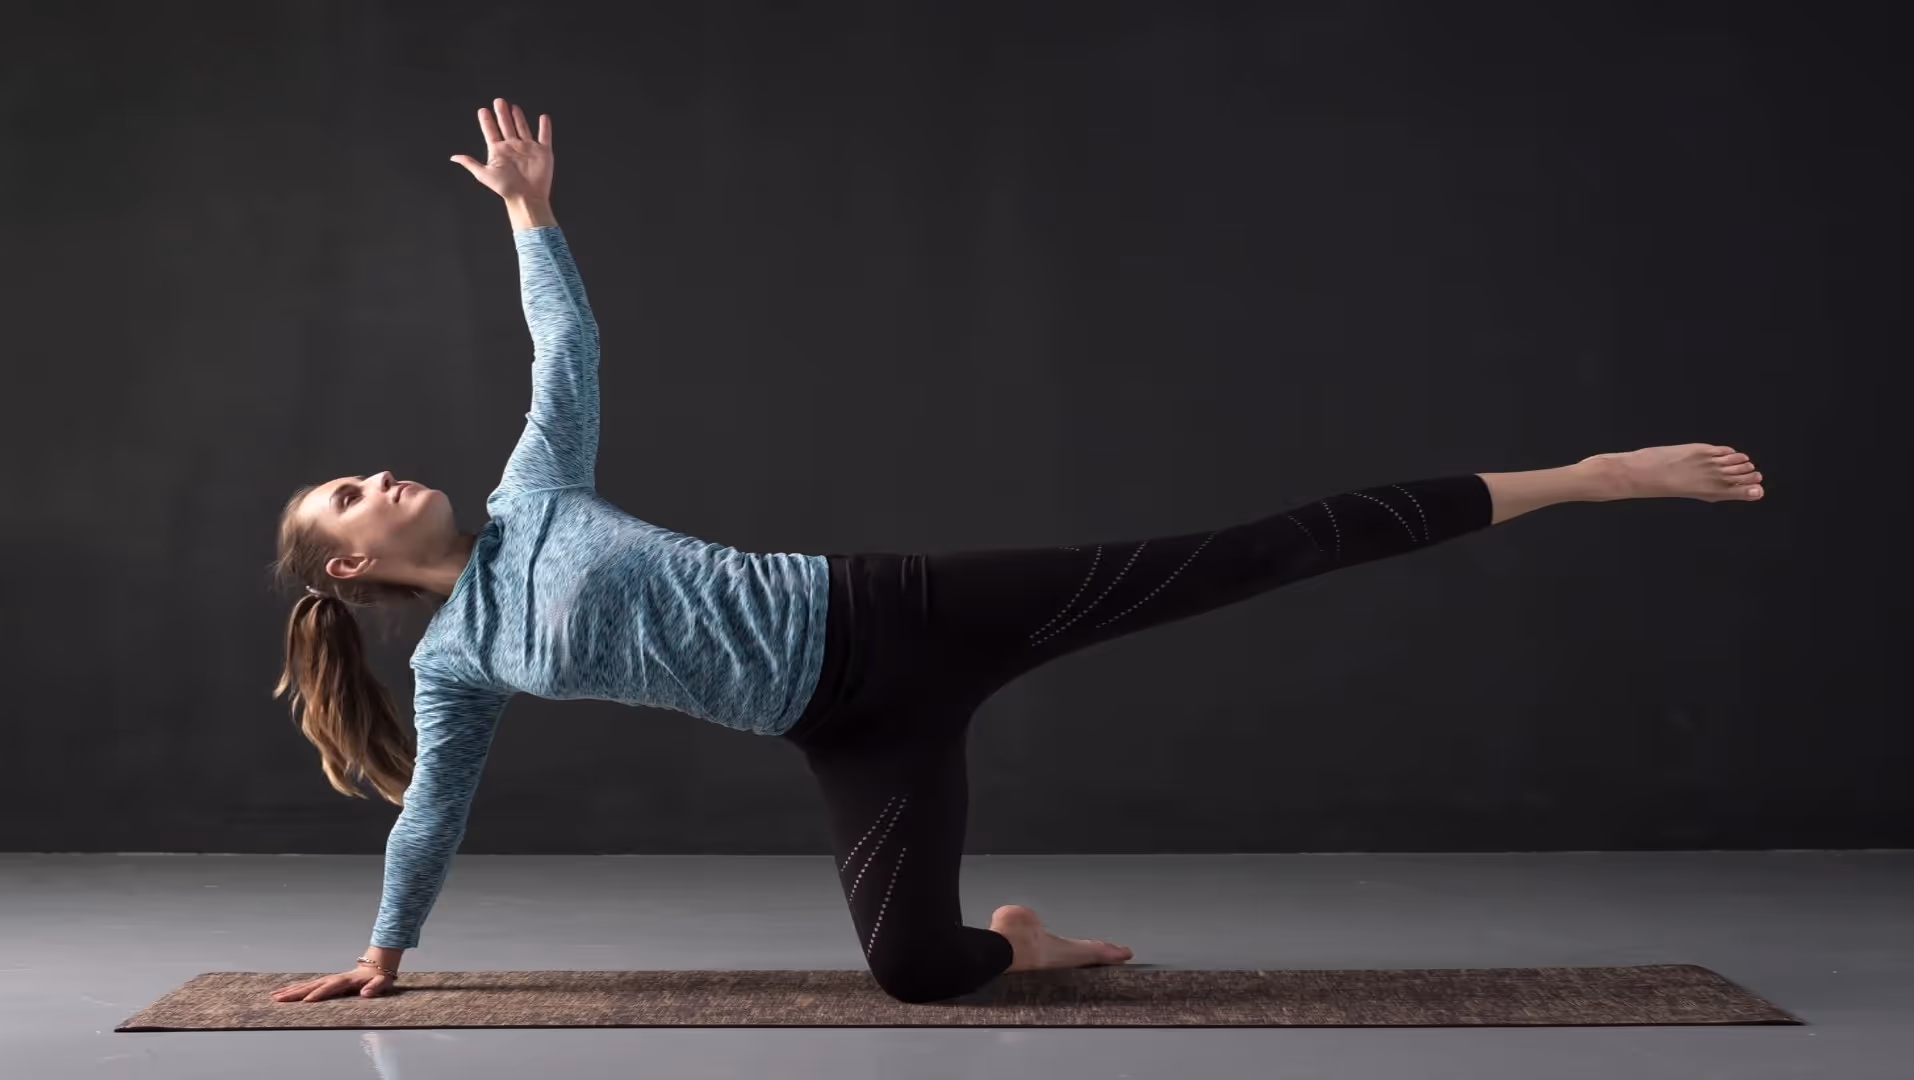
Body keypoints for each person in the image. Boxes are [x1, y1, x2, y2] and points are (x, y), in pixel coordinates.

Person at [268, 99, 1767, 1006]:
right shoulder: (462, 663)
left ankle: (1585, 474)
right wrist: (387, 952)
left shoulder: (536, 485)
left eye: (366, 468)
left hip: (898, 619)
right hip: (844, 728)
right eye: (350, 492)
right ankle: (1023, 947)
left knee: (1251, 553)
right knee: (917, 975)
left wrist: (532, 214)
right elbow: (433, 816)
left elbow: (566, 345)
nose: (381, 474)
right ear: (348, 571)